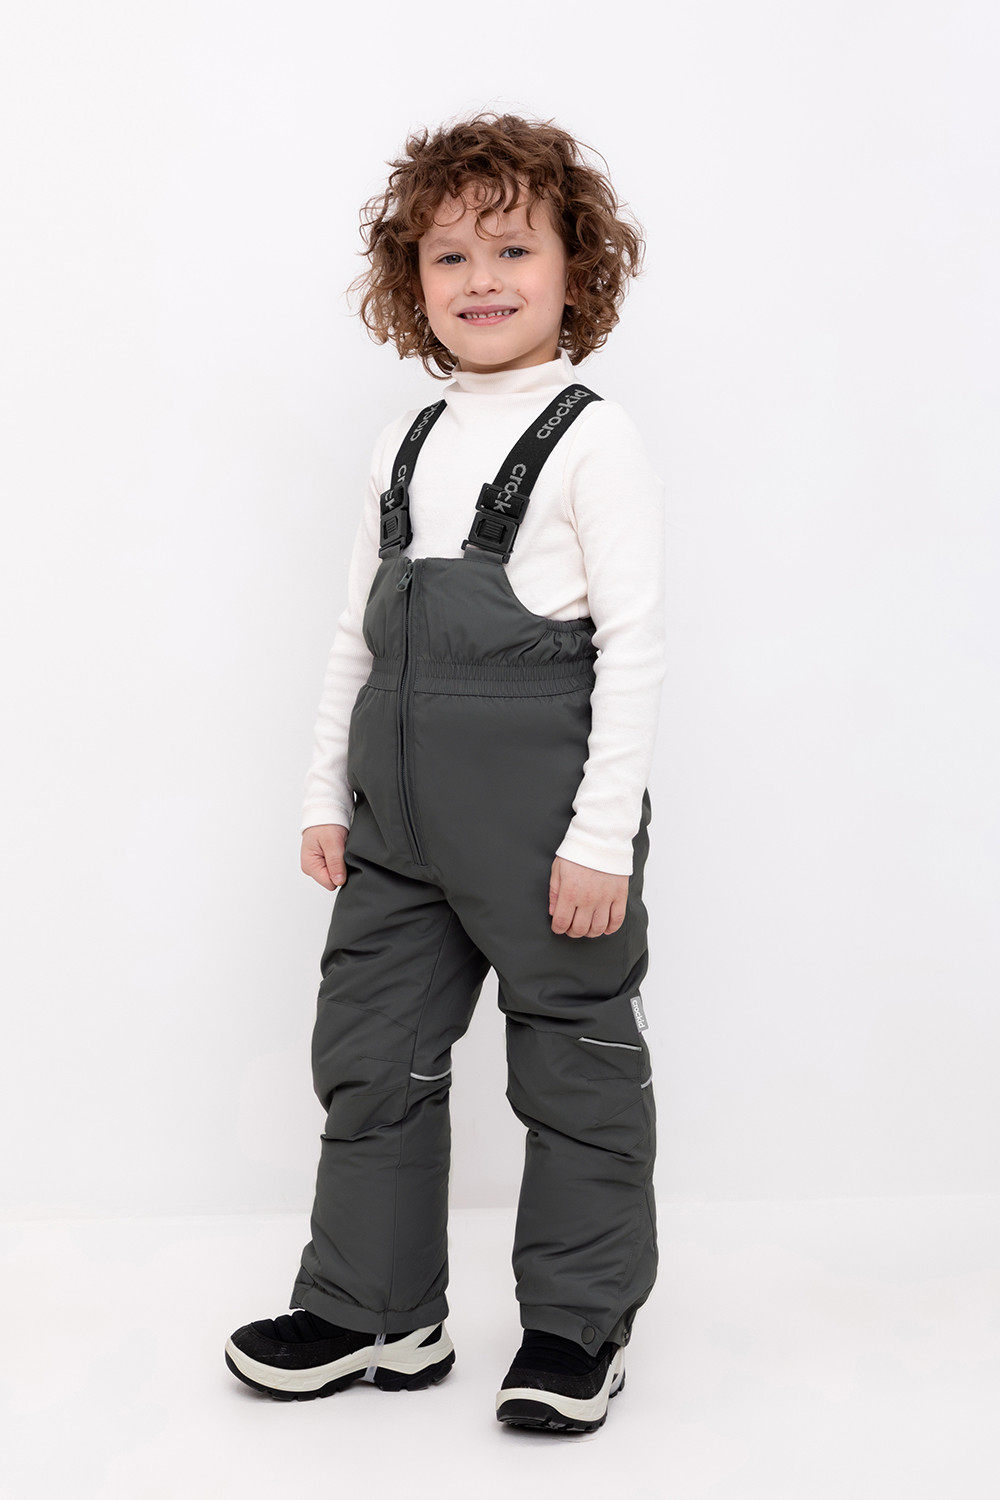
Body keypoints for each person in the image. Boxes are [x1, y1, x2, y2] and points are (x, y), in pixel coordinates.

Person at [224, 111, 666, 1434]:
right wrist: (325, 794)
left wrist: (598, 838)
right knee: (372, 1058)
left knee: (574, 1070)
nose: (481, 279)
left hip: (544, 831)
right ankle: (375, 1312)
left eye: (513, 249)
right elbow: (357, 633)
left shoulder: (592, 440)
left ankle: (577, 1329)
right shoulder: (404, 442)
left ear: (575, 269)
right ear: (409, 280)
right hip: (396, 827)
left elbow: (636, 649)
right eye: (448, 255)